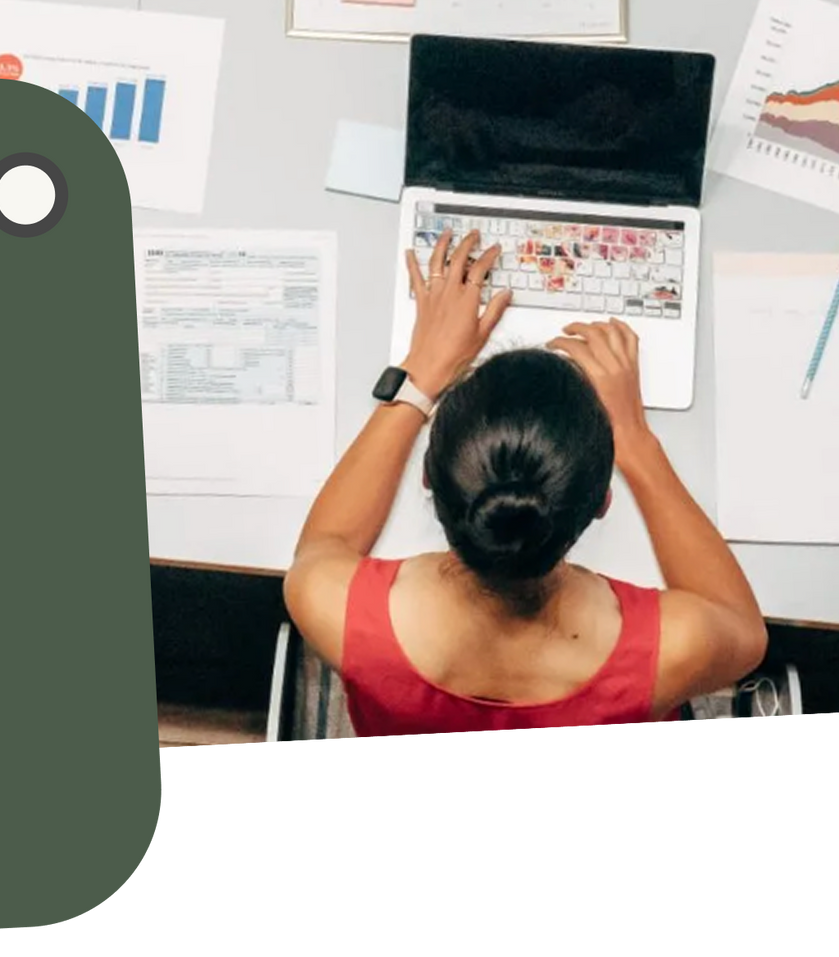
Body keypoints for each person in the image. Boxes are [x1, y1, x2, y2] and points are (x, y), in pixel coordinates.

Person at [282, 226, 778, 734]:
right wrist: (635, 442)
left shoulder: (332, 606)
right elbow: (743, 630)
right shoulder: (667, 652)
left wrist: (421, 376)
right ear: (603, 501)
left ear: (429, 477)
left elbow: (324, 543)